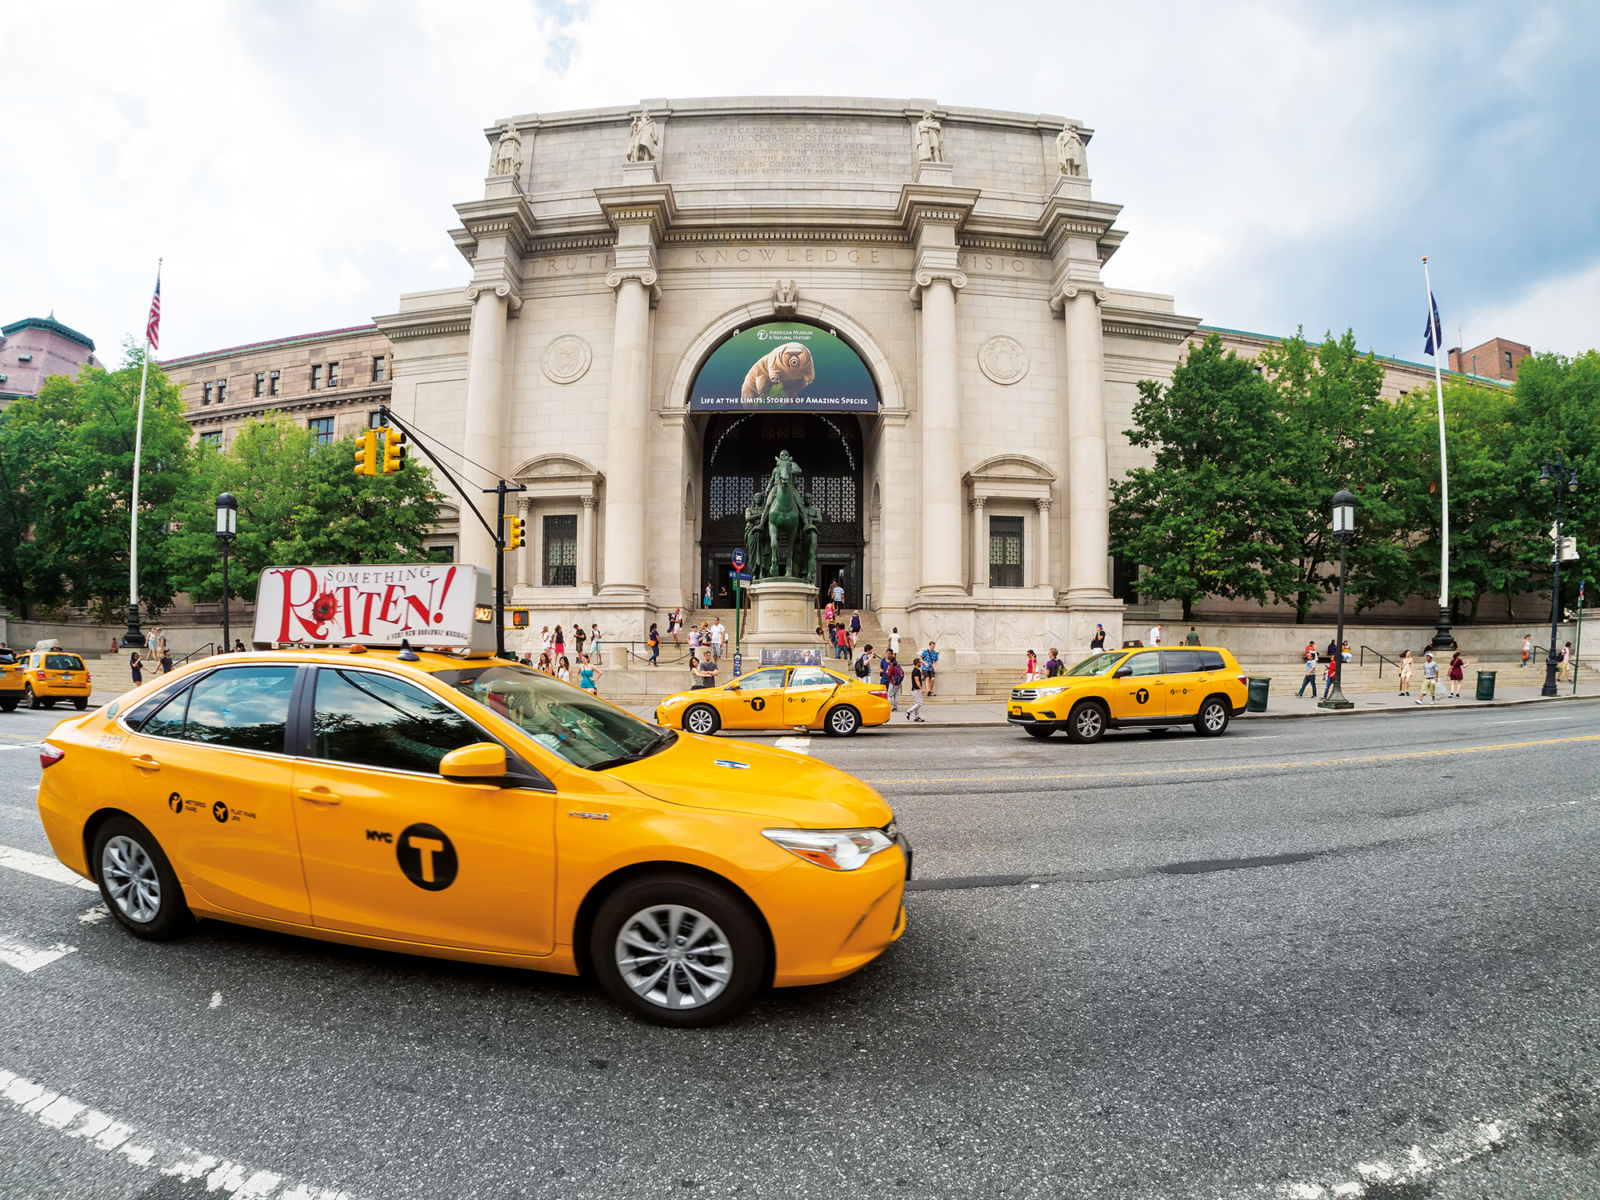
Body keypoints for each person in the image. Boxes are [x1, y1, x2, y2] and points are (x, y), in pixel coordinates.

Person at [906, 658, 926, 722]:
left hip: (916, 689)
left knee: (917, 703)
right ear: (917, 663)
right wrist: (921, 689)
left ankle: (916, 717)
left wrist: (922, 679)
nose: (921, 663)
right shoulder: (916, 671)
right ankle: (909, 711)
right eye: (920, 662)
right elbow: (916, 681)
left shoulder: (917, 670)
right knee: (919, 703)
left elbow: (918, 680)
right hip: (916, 689)